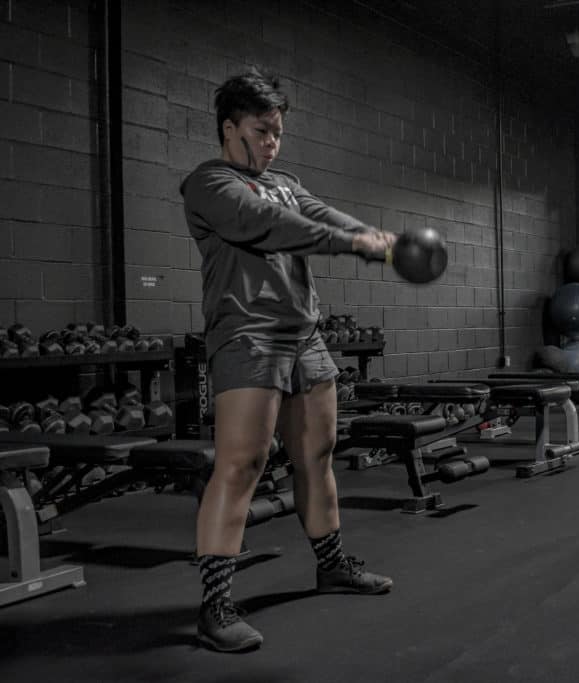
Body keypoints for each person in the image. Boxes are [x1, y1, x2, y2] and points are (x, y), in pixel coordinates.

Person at [180, 68, 396, 652]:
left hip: (304, 335)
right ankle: (216, 604)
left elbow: (319, 215)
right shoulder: (208, 183)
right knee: (242, 464)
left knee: (317, 454)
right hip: (247, 335)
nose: (273, 144)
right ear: (231, 129)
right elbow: (268, 226)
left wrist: (373, 236)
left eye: (279, 133)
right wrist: (350, 242)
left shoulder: (286, 181)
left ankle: (331, 563)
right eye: (263, 131)